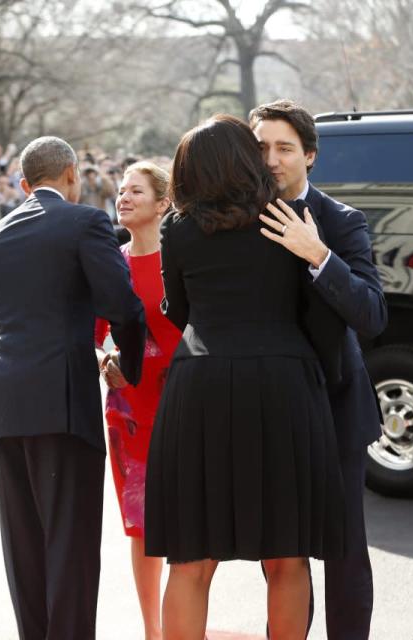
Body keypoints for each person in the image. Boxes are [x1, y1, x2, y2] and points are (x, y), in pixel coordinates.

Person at [144, 115, 346, 640]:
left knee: (190, 559)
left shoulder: (178, 228)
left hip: (200, 387)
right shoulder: (289, 217)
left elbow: (179, 310)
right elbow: (315, 310)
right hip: (283, 384)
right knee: (287, 553)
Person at [0, 136, 146, 640]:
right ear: (71, 173)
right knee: (69, 546)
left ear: (26, 182)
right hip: (60, 401)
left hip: (1, 400)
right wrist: (129, 368)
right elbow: (122, 304)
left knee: (24, 546)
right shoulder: (85, 222)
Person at [250, 99, 387, 639]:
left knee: (344, 549)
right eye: (262, 148)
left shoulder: (342, 221)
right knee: (282, 555)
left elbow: (372, 315)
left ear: (310, 155)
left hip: (335, 407)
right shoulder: (238, 221)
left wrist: (318, 256)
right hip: (268, 411)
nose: (273, 159)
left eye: (285, 148)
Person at [94, 161, 180, 640]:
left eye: (136, 191)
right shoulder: (111, 264)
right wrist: (104, 358)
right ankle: (153, 631)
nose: (123, 198)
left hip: (186, 406)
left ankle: (181, 625)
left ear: (163, 204)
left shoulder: (183, 261)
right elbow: (93, 333)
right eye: (121, 191)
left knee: (189, 526)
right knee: (142, 529)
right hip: (129, 410)